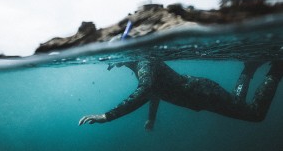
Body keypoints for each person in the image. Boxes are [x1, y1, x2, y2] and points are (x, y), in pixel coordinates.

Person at [78, 60, 283, 131]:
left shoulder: (143, 62)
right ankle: (249, 68)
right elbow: (154, 89)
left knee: (255, 114)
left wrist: (108, 116)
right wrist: (151, 118)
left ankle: (277, 69)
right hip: (200, 95)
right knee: (240, 105)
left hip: (203, 93)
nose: (110, 62)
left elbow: (146, 90)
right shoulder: (137, 65)